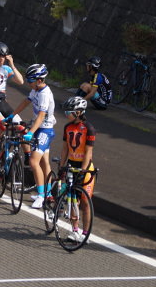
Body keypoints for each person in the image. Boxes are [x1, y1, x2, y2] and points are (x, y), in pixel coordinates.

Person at [12, 64, 56, 210]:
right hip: (40, 128)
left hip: (45, 130)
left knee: (33, 161)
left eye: (30, 80)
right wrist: (12, 114)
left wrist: (31, 132)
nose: (28, 83)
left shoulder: (44, 93)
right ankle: (48, 193)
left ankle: (42, 195)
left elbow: (41, 116)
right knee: (44, 162)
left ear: (39, 80)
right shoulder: (36, 89)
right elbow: (26, 102)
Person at [60, 96, 97, 243]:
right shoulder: (67, 127)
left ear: (79, 112)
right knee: (72, 200)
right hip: (71, 164)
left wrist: (83, 171)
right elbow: (64, 149)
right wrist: (61, 166)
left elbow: (88, 152)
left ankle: (85, 233)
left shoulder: (89, 128)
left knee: (85, 202)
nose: (66, 114)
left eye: (69, 111)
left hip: (85, 167)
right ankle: (74, 230)